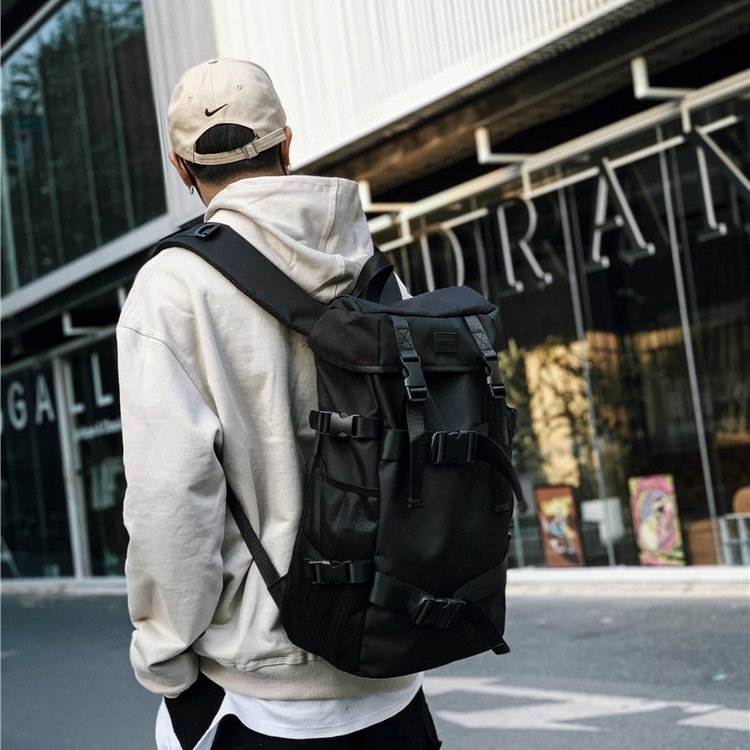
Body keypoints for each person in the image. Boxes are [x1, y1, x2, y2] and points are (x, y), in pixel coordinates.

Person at [117, 58, 441, 750]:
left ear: (181, 169)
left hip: (258, 700)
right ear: (287, 144)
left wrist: (167, 664)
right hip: (393, 681)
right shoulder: (372, 268)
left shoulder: (172, 289)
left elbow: (171, 499)